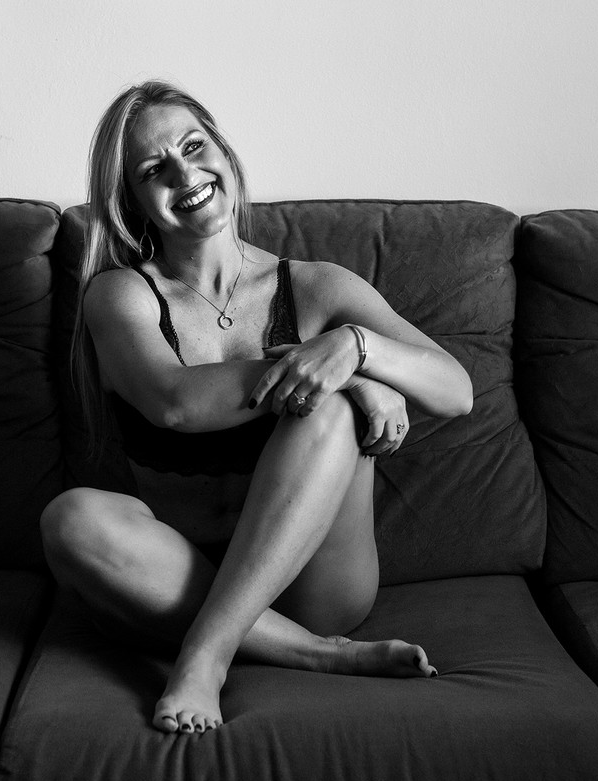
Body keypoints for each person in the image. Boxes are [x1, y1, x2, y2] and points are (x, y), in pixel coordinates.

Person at [41, 80, 474, 735]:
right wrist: (333, 370)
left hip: (315, 587)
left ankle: (206, 657)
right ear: (131, 200)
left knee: (327, 410)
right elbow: (174, 403)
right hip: (173, 580)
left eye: (194, 147)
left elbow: (455, 391)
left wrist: (355, 349)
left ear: (224, 153)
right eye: (154, 169)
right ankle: (318, 656)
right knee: (71, 518)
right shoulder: (120, 295)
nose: (184, 174)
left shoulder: (318, 287)